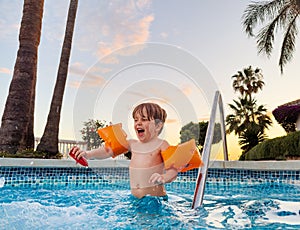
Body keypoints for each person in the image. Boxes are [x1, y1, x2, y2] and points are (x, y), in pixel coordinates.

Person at [71, 102, 178, 199]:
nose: (138, 123)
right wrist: (88, 154)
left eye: (144, 119)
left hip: (155, 199)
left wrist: (163, 177)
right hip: (135, 200)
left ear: (158, 126)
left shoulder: (161, 145)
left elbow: (173, 171)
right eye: (136, 120)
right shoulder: (132, 144)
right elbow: (108, 150)